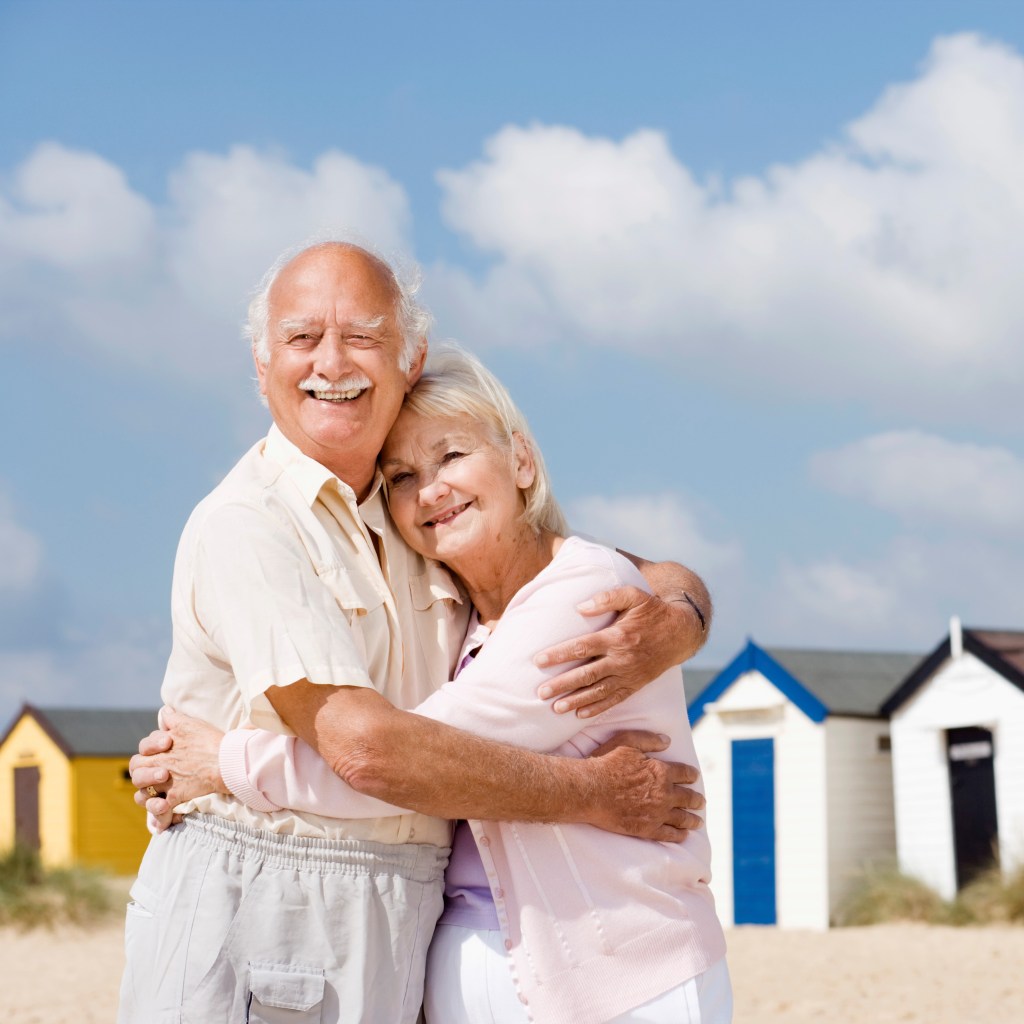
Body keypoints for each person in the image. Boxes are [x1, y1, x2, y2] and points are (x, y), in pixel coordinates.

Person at [120, 240, 714, 1024]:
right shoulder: (250, 522)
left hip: (405, 907)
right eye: (301, 338)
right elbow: (368, 749)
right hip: (267, 888)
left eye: (362, 335)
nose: (331, 361)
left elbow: (629, 571)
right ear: (263, 370)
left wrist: (679, 617)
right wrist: (591, 793)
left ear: (410, 358)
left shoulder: (412, 513)